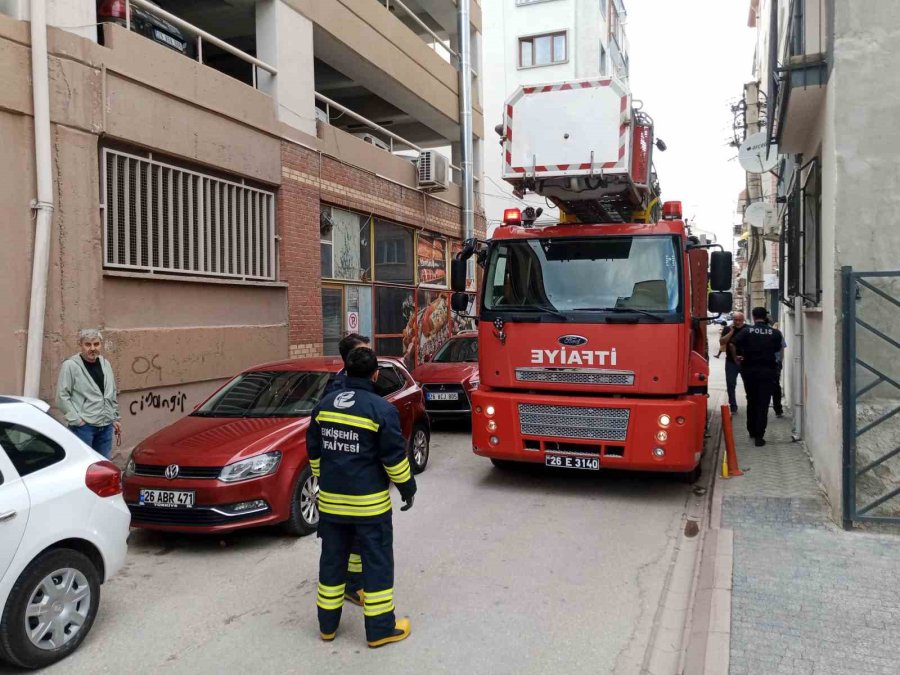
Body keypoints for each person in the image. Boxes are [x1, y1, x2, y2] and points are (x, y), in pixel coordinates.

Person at [307, 347, 417, 648]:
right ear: (376, 374)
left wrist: (324, 477)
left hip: (331, 503)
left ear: (346, 371)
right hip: (369, 506)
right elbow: (393, 459)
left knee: (332, 561)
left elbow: (314, 451)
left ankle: (327, 627)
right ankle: (380, 630)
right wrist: (408, 488)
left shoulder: (325, 405)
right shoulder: (381, 410)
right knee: (377, 561)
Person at [324, 333, 371, 607]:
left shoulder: (344, 384)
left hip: (347, 475)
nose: (369, 356)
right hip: (350, 478)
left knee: (352, 538)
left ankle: (349, 582)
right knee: (353, 536)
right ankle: (353, 586)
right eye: (364, 352)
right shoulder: (341, 390)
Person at [56, 329, 121, 458]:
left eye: (96, 344)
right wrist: (77, 420)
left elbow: (111, 392)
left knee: (103, 464)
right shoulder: (70, 366)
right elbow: (62, 396)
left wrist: (115, 418)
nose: (92, 348)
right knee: (83, 464)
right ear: (81, 345)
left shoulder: (105, 364)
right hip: (84, 427)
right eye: (88, 344)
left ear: (100, 345)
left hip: (106, 425)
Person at [730, 307, 785, 447]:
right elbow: (780, 350)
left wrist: (737, 359)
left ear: (753, 317)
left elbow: (732, 343)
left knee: (752, 400)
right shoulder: (775, 332)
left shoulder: (747, 331)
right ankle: (760, 436)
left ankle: (752, 431)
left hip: (749, 370)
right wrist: (778, 366)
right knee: (763, 403)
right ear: (765, 316)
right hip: (768, 371)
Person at [718, 312, 746, 414]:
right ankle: (733, 406)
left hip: (745, 361)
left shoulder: (747, 329)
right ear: (733, 320)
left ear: (743, 320)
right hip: (731, 361)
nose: (738, 322)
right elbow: (722, 342)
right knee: (730, 384)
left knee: (748, 383)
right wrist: (731, 332)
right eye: (735, 320)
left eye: (740, 320)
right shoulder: (727, 329)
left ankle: (751, 403)